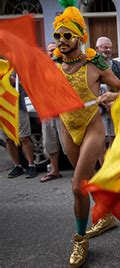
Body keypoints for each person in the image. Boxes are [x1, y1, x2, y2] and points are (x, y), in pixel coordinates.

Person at [51, 0, 120, 267]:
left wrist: (111, 97)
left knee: (77, 186)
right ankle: (105, 215)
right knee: (87, 179)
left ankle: (80, 241)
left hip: (92, 126)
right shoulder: (55, 66)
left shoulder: (95, 65)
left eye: (67, 35)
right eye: (58, 35)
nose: (61, 40)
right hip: (66, 127)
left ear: (79, 36)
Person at [95, 37, 120, 162]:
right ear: (97, 49)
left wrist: (115, 103)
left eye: (109, 47)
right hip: (98, 110)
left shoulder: (117, 65)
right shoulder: (92, 65)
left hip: (115, 107)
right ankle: (103, 166)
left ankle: (111, 163)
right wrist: (104, 104)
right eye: (104, 47)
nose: (107, 50)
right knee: (100, 139)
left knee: (114, 136)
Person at [40, 42, 65, 182]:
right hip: (48, 112)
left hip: (64, 112)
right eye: (50, 50)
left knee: (68, 145)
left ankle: (79, 173)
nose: (52, 52)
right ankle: (54, 171)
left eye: (54, 50)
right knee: (50, 143)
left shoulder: (65, 66)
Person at [2, 78, 36, 179]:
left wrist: (12, 81)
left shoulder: (12, 67)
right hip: (2, 109)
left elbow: (26, 83)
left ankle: (31, 165)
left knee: (24, 137)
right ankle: (17, 166)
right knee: (8, 138)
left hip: (17, 107)